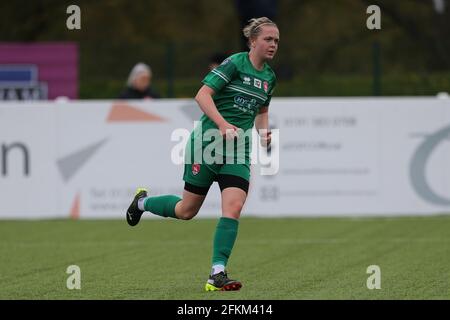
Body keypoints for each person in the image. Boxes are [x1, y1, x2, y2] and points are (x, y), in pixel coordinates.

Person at [125, 17, 279, 291]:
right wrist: (221, 124)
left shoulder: (269, 77)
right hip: (206, 145)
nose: (273, 44)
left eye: (276, 40)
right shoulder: (233, 64)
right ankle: (142, 203)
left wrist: (264, 133)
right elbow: (202, 95)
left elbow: (262, 111)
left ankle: (217, 272)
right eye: (268, 39)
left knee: (233, 207)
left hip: (238, 151)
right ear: (253, 41)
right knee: (187, 211)